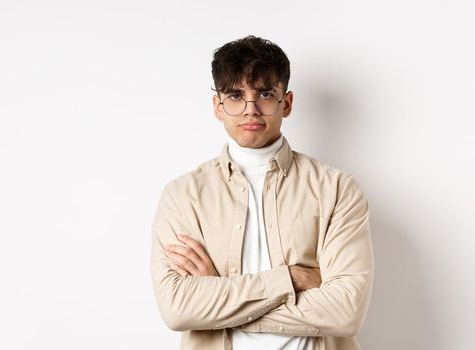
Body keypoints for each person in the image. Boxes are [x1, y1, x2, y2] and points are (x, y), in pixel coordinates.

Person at [149, 35, 374, 349]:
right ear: (218, 106)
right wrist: (290, 279)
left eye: (265, 94)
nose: (250, 109)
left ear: (288, 103)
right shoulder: (183, 196)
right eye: (235, 95)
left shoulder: (336, 189)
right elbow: (177, 309)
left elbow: (345, 312)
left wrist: (218, 298)